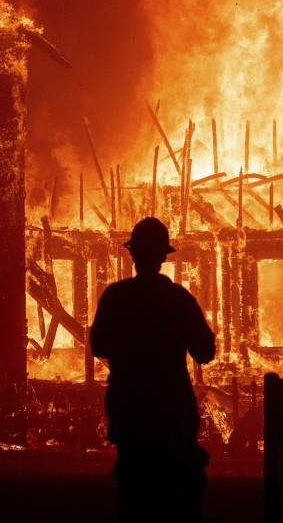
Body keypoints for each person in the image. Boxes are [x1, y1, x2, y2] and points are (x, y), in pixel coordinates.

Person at [90, 217, 217, 522]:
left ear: (132, 255)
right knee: (180, 503)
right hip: (173, 415)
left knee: (135, 503)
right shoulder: (179, 300)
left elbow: (99, 347)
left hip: (130, 415)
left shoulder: (115, 297)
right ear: (164, 256)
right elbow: (205, 351)